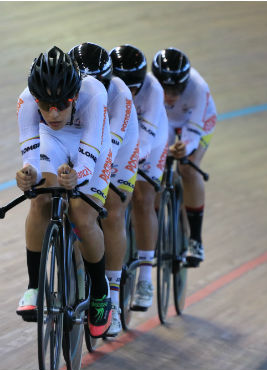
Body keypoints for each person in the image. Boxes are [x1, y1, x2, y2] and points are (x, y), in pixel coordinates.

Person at [15, 46, 112, 338]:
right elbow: (30, 157)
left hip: (89, 141)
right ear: (36, 100)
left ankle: (99, 291)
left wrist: (78, 176)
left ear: (75, 97)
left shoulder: (94, 94)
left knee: (83, 215)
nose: (53, 112)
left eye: (61, 104)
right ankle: (34, 287)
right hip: (54, 141)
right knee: (40, 198)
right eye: (45, 105)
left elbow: (90, 155)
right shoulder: (25, 101)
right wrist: (27, 176)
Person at [69, 42, 139, 336]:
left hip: (117, 146)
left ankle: (112, 297)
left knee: (110, 207)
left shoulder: (120, 95)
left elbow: (106, 148)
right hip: (83, 136)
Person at [110, 44, 168, 310]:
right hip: (120, 142)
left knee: (144, 198)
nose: (128, 95)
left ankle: (145, 277)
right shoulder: (105, 88)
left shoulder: (153, 90)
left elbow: (144, 142)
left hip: (150, 142)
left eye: (134, 90)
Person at [151, 47, 217, 266]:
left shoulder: (199, 88)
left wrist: (185, 148)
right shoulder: (149, 86)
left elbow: (194, 132)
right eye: (166, 89)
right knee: (154, 170)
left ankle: (195, 239)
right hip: (167, 123)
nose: (171, 95)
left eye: (178, 88)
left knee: (188, 168)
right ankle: (154, 223)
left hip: (198, 122)